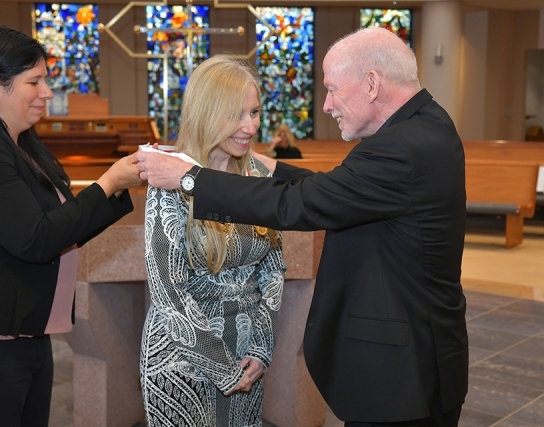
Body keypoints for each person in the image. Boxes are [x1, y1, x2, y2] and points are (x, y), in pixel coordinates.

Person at [136, 27, 468, 427]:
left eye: (332, 89)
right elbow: (345, 191)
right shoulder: (426, 126)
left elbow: (304, 210)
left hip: (403, 372)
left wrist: (190, 178)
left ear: (371, 84)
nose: (326, 105)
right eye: (236, 114)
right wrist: (269, 169)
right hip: (185, 365)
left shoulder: (403, 146)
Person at [0, 26, 143, 427]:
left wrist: (120, 187)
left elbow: (61, 230)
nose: (47, 92)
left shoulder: (21, 147)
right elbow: (35, 239)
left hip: (24, 336)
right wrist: (108, 183)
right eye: (34, 81)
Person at [139, 54, 286, 427]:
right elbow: (168, 292)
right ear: (205, 113)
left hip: (246, 353)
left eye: (254, 112)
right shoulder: (171, 178)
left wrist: (261, 346)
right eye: (236, 114)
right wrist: (223, 368)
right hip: (181, 358)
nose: (250, 126)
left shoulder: (257, 174)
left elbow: (273, 268)